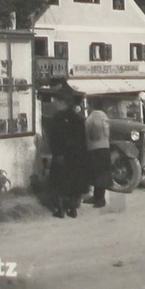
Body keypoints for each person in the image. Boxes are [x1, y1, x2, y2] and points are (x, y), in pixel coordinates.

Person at [40, 90, 83, 218]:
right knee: (74, 183)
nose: (54, 104)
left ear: (62, 102)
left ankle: (60, 210)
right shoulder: (77, 119)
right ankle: (73, 209)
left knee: (58, 184)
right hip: (76, 157)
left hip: (61, 156)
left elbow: (54, 139)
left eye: (56, 101)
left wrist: (56, 153)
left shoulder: (57, 119)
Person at [83, 100, 112, 208]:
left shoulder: (91, 118)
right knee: (102, 174)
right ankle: (98, 196)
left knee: (96, 174)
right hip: (105, 147)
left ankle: (100, 199)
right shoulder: (105, 117)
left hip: (94, 148)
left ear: (92, 106)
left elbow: (86, 132)